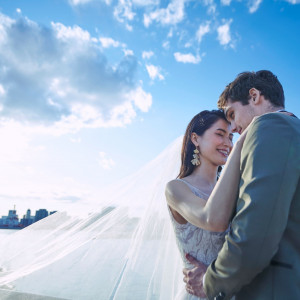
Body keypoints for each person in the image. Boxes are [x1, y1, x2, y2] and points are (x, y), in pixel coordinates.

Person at [183, 70, 300, 300]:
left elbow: (255, 235)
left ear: (254, 96)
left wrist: (211, 281)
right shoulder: (293, 129)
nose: (234, 128)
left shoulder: (268, 126)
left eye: (232, 114)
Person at [165, 110, 247, 299]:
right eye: (220, 134)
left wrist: (213, 276)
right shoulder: (176, 189)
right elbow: (212, 219)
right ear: (195, 138)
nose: (228, 143)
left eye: (232, 137)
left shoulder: (237, 190)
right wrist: (243, 142)